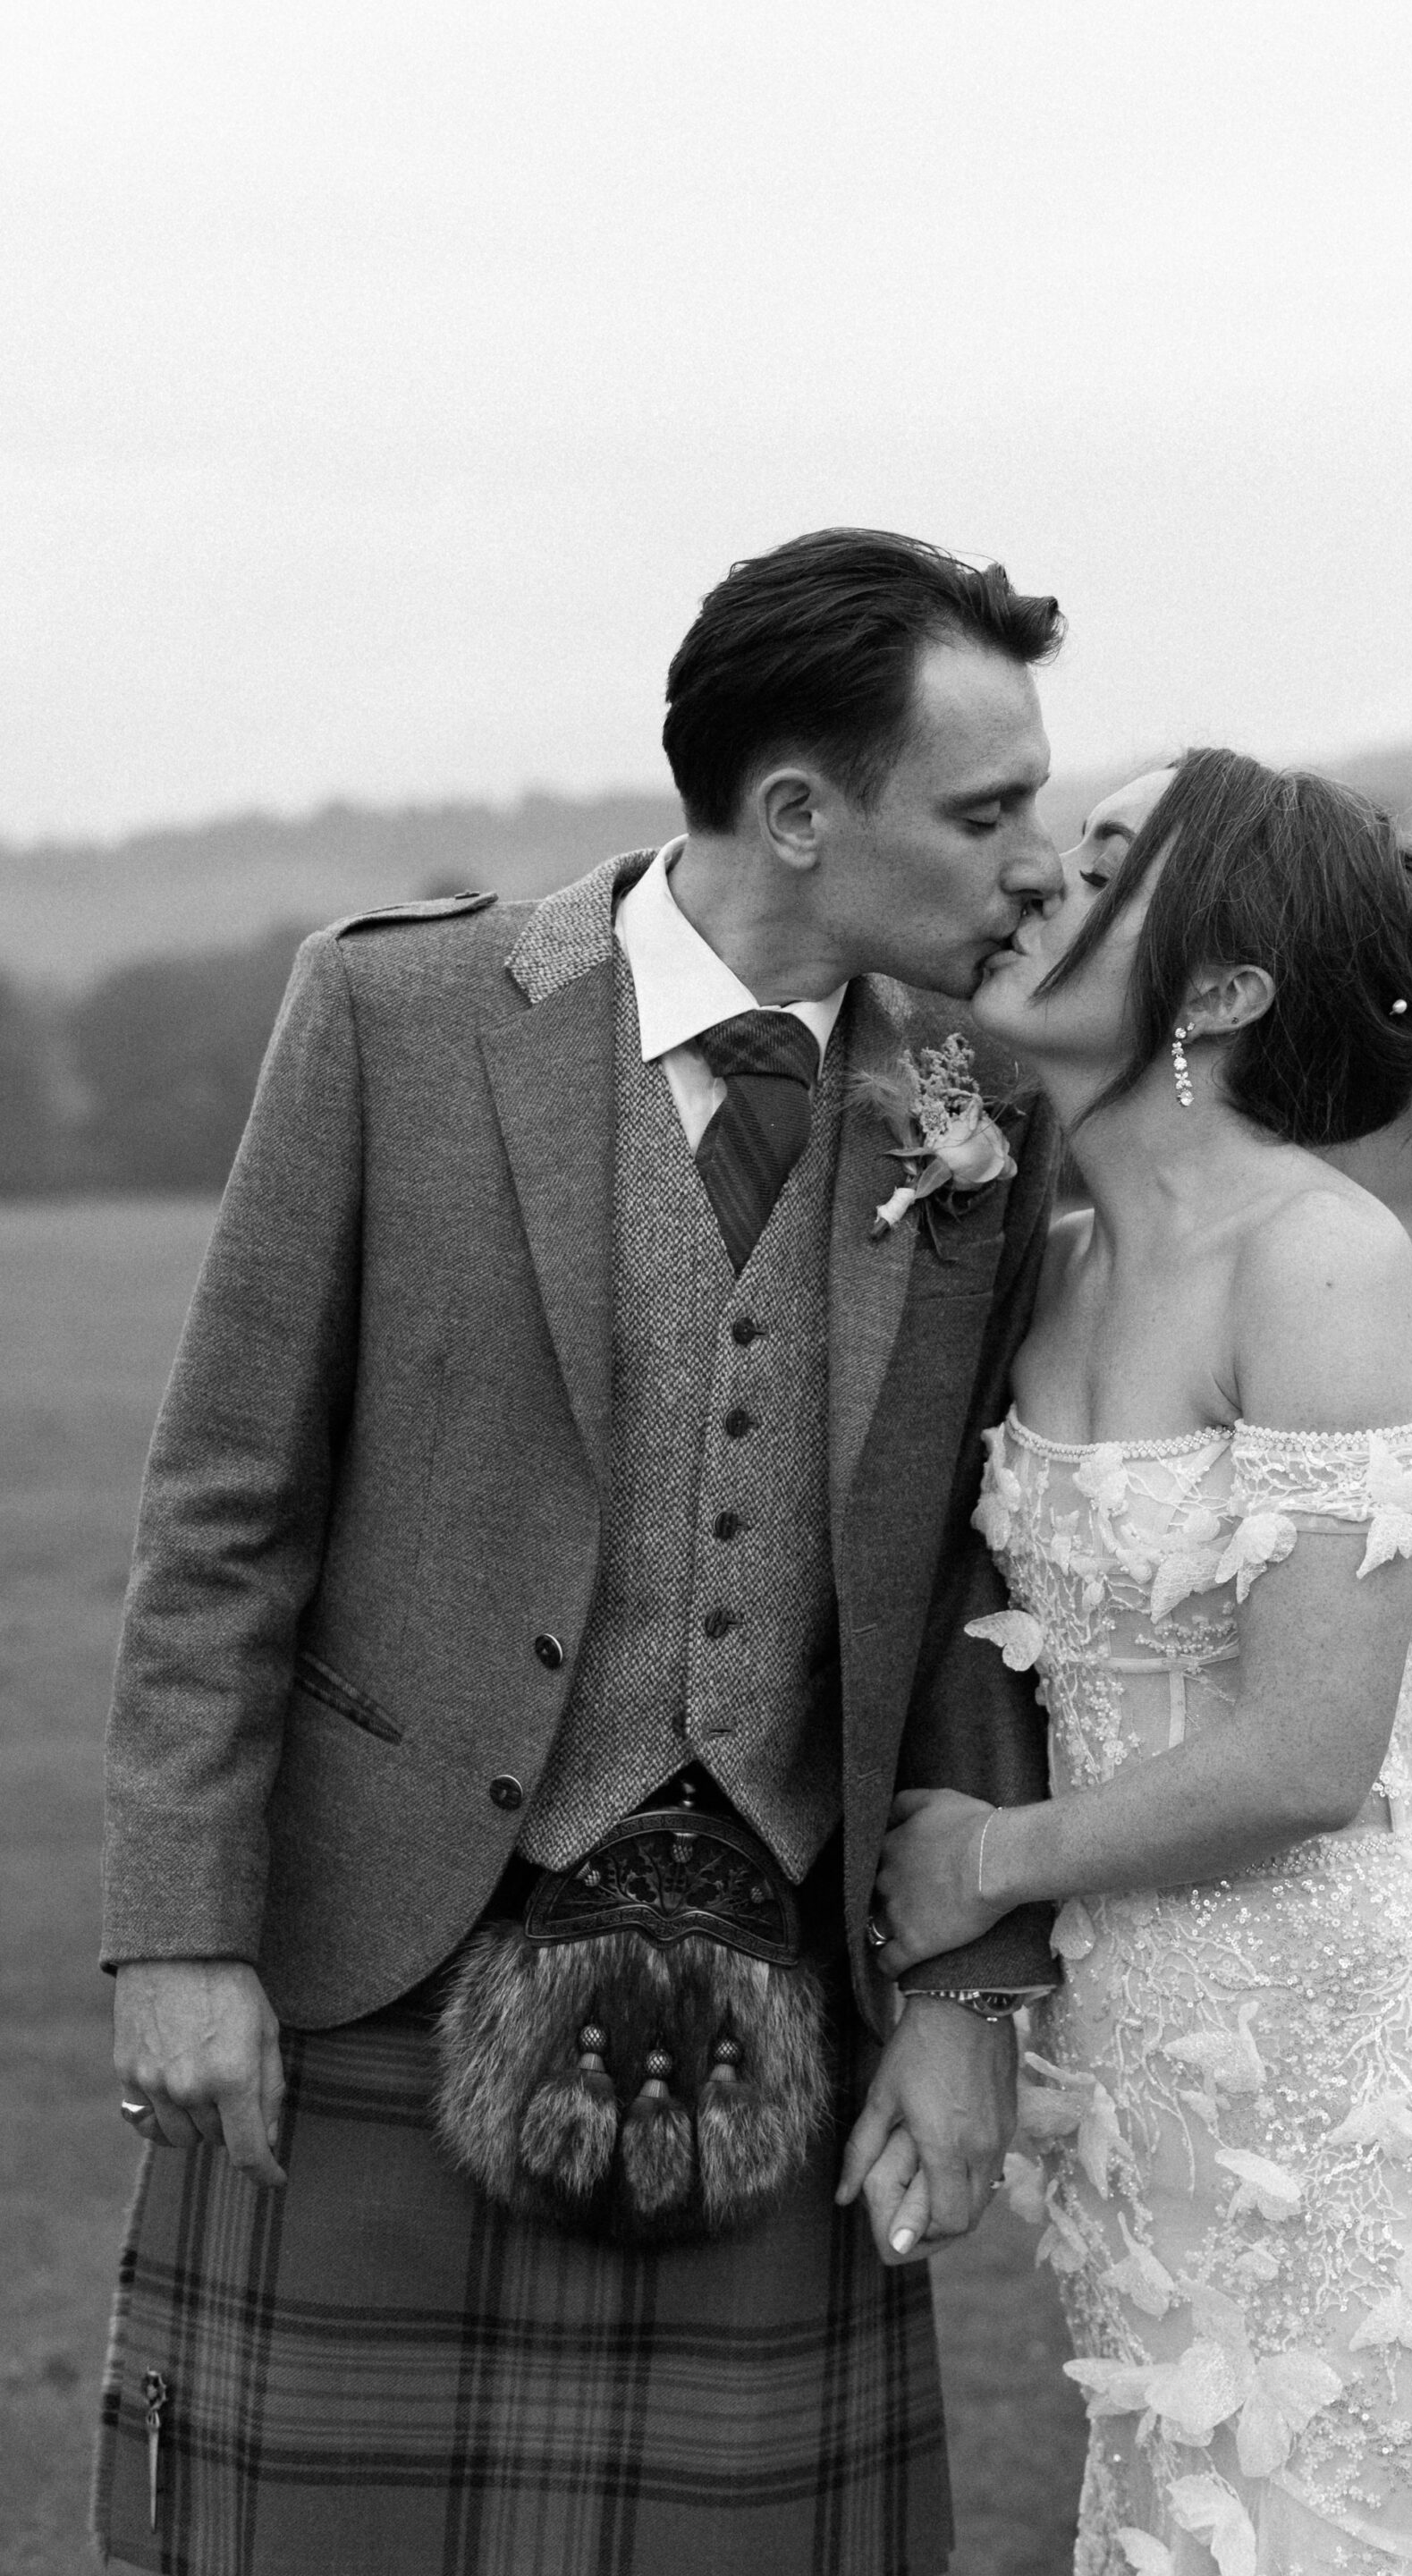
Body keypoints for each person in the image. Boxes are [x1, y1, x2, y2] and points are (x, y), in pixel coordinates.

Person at [94, 527, 1071, 2576]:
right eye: (987, 813)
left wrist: (970, 1995)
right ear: (798, 815)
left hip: (780, 1986)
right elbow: (222, 1515)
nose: (1036, 866)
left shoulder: (982, 1106)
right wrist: (181, 1934)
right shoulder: (398, 1017)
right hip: (385, 1956)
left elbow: (991, 1598)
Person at [870, 751, 1412, 2573]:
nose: (1046, 870)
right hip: (1150, 2098)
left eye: (1115, 860)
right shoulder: (1043, 1260)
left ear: (1215, 994)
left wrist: (981, 1861)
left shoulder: (1319, 1258)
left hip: (1372, 2081)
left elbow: (1311, 1748)